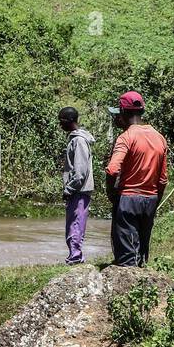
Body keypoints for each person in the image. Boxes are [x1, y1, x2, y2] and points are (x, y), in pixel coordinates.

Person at [102, 91, 168, 269]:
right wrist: (156, 201)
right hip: (151, 199)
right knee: (142, 249)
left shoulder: (126, 137)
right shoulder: (159, 137)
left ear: (123, 112)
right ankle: (143, 285)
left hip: (128, 199)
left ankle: (126, 285)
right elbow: (162, 179)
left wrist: (111, 194)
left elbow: (113, 169)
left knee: (126, 255)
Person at [59, 107, 95, 265]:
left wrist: (69, 189)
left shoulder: (79, 141)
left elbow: (80, 171)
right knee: (74, 224)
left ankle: (75, 258)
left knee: (75, 225)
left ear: (69, 121)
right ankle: (75, 256)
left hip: (79, 191)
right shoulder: (75, 139)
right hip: (78, 191)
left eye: (61, 122)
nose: (60, 125)